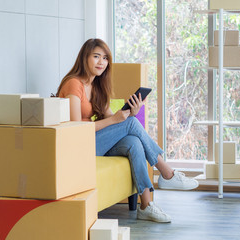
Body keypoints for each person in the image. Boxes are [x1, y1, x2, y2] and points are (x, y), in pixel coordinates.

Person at [57, 38, 199, 223]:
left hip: (92, 141)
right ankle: (167, 173)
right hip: (76, 144)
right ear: (85, 58)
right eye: (96, 57)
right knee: (130, 125)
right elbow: (76, 128)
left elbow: (111, 119)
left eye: (105, 58)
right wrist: (119, 120)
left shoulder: (97, 86)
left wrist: (131, 112)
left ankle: (146, 206)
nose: (101, 62)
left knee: (134, 142)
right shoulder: (73, 83)